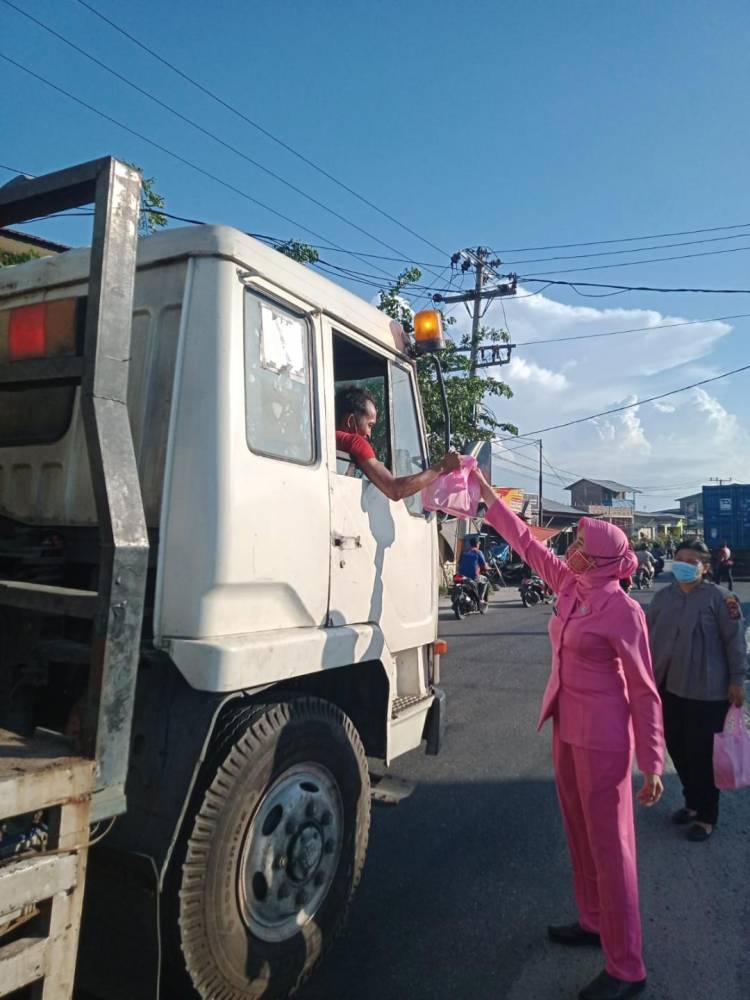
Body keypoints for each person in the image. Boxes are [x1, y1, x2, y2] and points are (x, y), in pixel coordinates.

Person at [472, 467, 663, 1000]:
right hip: (566, 726)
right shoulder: (572, 586)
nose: (571, 548)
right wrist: (485, 492)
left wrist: (652, 761)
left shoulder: (622, 610)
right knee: (579, 835)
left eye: (580, 544)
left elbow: (645, 690)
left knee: (613, 848)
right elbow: (526, 543)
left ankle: (628, 968)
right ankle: (593, 921)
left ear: (601, 560)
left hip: (604, 740)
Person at [646, 538, 746, 842]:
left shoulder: (722, 598)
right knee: (677, 749)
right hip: (668, 688)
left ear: (705, 567)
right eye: (679, 559)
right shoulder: (663, 598)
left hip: (708, 692)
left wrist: (737, 680)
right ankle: (691, 804)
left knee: (702, 755)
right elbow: (645, 639)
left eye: (692, 562)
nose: (684, 566)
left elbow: (735, 642)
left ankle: (706, 816)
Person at [335, 385, 460, 499]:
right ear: (350, 421)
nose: (369, 434)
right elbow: (395, 489)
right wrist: (443, 466)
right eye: (370, 425)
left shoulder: (327, 440)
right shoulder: (355, 442)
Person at [458, 537, 489, 605]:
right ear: (477, 544)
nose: (479, 545)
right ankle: (480, 598)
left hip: (462, 575)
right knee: (485, 580)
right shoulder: (478, 552)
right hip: (473, 576)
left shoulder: (464, 552)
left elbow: (459, 562)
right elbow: (484, 565)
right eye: (479, 543)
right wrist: (488, 568)